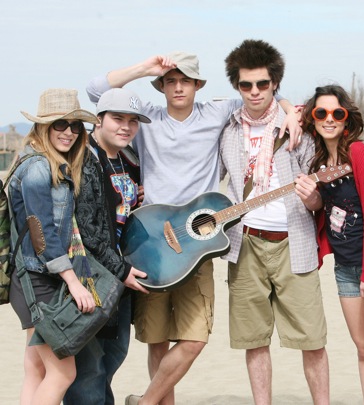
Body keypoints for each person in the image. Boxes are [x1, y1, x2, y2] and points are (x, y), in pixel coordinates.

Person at [87, 52, 301, 405]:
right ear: (161, 86)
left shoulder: (216, 113)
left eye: (185, 81)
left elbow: (262, 97)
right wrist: (145, 68)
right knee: (156, 339)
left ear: (198, 85)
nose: (178, 87)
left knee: (195, 338)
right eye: (170, 81)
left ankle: (146, 402)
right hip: (150, 241)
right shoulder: (146, 118)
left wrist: (291, 111)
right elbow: (97, 91)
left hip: (199, 243)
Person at [219, 39, 329, 405]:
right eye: (246, 84)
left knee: (312, 339)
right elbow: (208, 178)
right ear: (237, 85)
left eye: (262, 84)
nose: (254, 91)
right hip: (244, 244)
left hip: (294, 243)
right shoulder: (228, 131)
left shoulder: (298, 129)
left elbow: (319, 198)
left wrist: (313, 198)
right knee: (254, 340)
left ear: (275, 83)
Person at [297, 84, 364, 404]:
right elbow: (327, 209)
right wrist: (312, 201)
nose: (329, 118)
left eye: (337, 112)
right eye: (321, 113)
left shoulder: (358, 152)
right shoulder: (318, 161)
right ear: (313, 118)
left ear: (346, 118)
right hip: (345, 269)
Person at [8, 88, 98, 404]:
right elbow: (41, 232)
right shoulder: (38, 168)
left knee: (36, 368)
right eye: (60, 124)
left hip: (30, 277)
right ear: (43, 126)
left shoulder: (47, 162)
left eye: (75, 125)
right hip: (38, 281)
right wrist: (74, 282)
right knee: (63, 373)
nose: (69, 132)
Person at [64, 88, 151, 404]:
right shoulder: (83, 158)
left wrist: (135, 199)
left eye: (132, 120)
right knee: (89, 367)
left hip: (119, 276)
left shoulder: (128, 159)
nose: (126, 127)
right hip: (90, 276)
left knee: (114, 354)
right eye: (117, 118)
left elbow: (118, 214)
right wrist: (121, 270)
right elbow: (86, 229)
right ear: (98, 120)